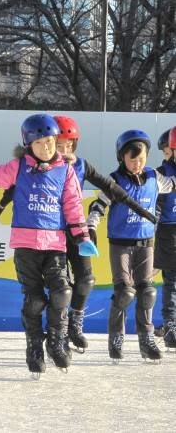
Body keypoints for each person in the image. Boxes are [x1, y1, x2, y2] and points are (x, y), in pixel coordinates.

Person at [0, 115, 156, 353]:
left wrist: (136, 208)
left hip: (75, 232)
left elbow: (110, 186)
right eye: (59, 144)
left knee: (86, 280)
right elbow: (14, 188)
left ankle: (74, 322)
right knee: (58, 287)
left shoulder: (81, 165)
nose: (63, 150)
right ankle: (58, 332)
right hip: (50, 235)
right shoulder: (36, 165)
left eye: (69, 146)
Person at [0, 114, 97, 377]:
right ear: (29, 144)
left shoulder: (65, 171)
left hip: (55, 244)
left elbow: (74, 207)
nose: (47, 147)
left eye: (51, 141)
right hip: (26, 246)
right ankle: (34, 346)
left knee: (62, 292)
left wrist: (82, 238)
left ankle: (55, 340)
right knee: (35, 300)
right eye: (40, 143)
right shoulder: (18, 167)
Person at [87, 130, 176, 364]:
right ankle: (116, 337)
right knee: (125, 292)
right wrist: (91, 227)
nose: (138, 164)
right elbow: (98, 206)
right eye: (132, 159)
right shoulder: (115, 180)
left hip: (146, 243)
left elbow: (173, 182)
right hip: (121, 245)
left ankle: (146, 339)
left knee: (147, 291)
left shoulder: (155, 177)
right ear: (121, 158)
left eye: (142, 158)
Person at [155, 127, 176, 351]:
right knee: (172, 281)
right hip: (170, 231)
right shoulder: (162, 174)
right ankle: (171, 326)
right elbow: (156, 206)